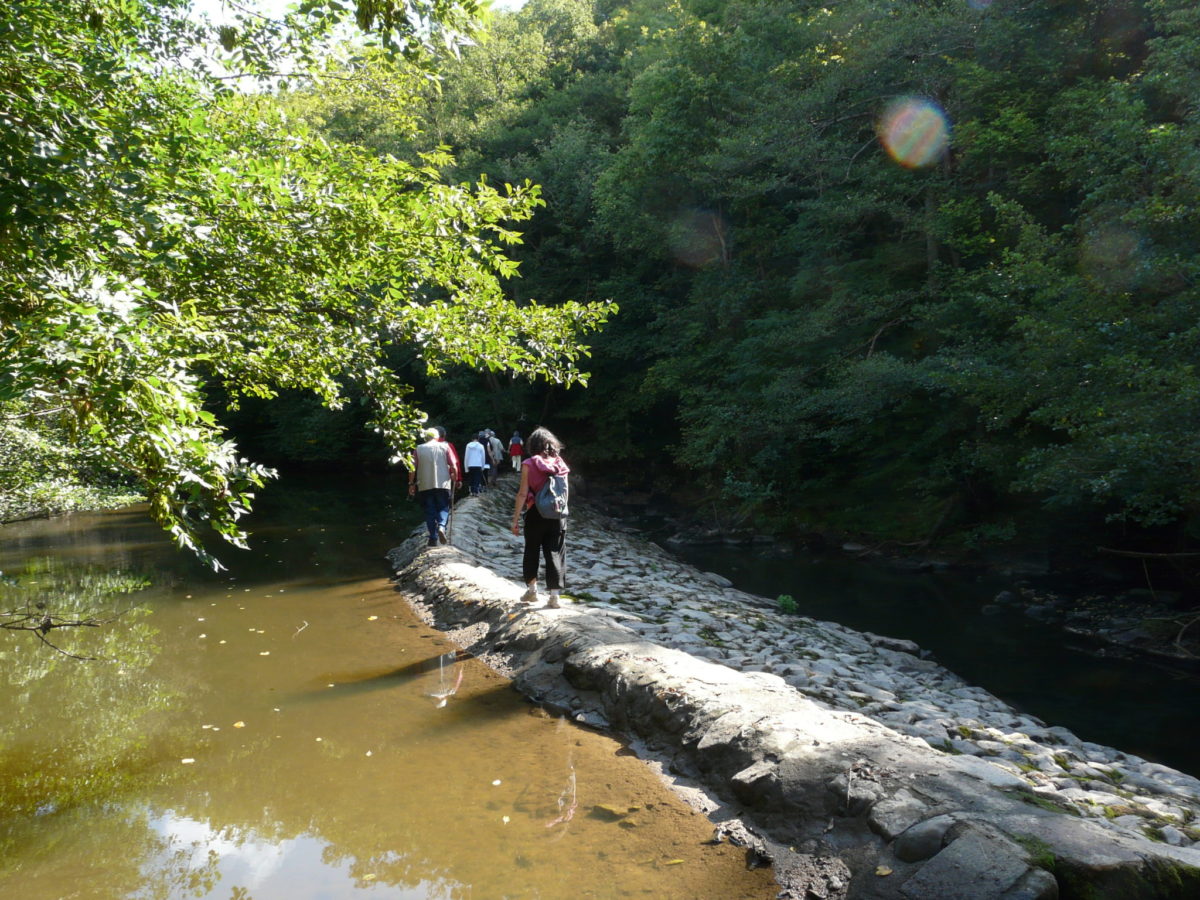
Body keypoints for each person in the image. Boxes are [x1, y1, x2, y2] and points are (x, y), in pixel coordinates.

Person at [511, 426, 570, 608]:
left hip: (535, 511)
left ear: (532, 445)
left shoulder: (529, 463)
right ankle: (554, 596)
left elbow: (522, 493)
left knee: (532, 550)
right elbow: (565, 492)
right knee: (555, 552)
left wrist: (515, 520)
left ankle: (532, 591)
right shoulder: (560, 464)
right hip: (557, 513)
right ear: (552, 445)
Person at [409, 427, 459, 546]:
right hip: (443, 483)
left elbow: (412, 468)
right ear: (437, 437)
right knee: (443, 507)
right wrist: (455, 478)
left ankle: (432, 537)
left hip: (424, 484)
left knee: (429, 510)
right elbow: (454, 465)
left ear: (425, 437)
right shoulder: (445, 446)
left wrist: (411, 484)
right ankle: (441, 526)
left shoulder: (418, 449)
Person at [464, 431, 487, 496]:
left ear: (471, 439)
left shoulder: (468, 445)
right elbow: (483, 457)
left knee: (471, 477)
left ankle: (471, 491)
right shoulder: (481, 446)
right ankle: (476, 491)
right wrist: (483, 466)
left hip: (470, 464)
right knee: (477, 478)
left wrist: (466, 467)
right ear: (478, 438)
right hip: (478, 464)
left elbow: (466, 457)